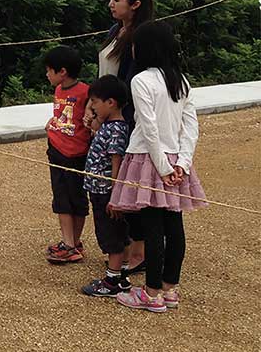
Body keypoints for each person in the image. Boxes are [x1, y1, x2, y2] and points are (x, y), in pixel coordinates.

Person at [110, 21, 206, 313]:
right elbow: (190, 128)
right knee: (174, 225)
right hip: (175, 159)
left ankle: (151, 293)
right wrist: (182, 163)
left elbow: (148, 128)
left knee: (153, 226)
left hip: (149, 159)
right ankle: (169, 289)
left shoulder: (141, 80)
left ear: (147, 48)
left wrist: (163, 167)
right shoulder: (181, 80)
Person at [98, 0, 155, 276]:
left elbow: (133, 87)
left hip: (127, 122)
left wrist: (113, 116)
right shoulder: (114, 30)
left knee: (130, 184)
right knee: (111, 182)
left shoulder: (142, 39)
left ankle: (140, 251)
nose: (110, 4)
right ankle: (122, 247)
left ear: (135, 4)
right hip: (108, 118)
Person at [79, 76, 132, 297]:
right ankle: (121, 277)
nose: (92, 107)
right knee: (116, 234)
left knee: (112, 237)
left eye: (95, 102)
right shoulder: (109, 125)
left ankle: (112, 281)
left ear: (110, 102)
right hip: (99, 190)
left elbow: (116, 161)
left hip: (106, 192)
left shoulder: (117, 129)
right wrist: (92, 119)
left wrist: (115, 195)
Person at [43, 46, 91, 263]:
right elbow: (61, 115)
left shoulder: (86, 92)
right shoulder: (58, 90)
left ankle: (73, 243)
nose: (47, 74)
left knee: (77, 199)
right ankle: (68, 241)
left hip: (77, 153)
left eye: (49, 70)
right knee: (61, 198)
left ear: (62, 71)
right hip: (56, 149)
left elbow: (91, 120)